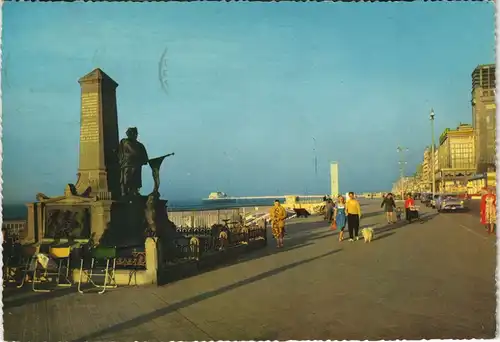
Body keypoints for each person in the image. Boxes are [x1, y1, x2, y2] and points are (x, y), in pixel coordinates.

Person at [118, 127, 149, 197]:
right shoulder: (125, 142)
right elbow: (133, 151)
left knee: (136, 178)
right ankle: (126, 191)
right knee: (127, 178)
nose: (136, 135)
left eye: (136, 134)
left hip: (136, 164)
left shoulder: (139, 145)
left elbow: (144, 155)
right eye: (134, 134)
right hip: (127, 164)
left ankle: (134, 190)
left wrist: (144, 159)